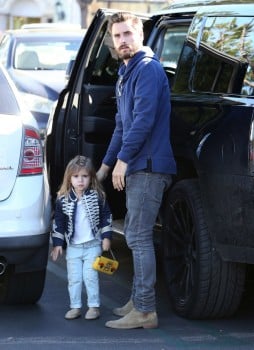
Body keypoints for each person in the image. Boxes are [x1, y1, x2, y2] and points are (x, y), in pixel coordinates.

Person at [97, 12, 176, 329]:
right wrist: (104, 166)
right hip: (138, 166)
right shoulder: (125, 73)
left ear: (140, 35)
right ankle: (138, 300)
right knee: (135, 235)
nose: (123, 41)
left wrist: (124, 160)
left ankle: (145, 311)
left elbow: (143, 120)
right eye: (117, 36)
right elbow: (121, 125)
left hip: (149, 167)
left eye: (128, 34)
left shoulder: (147, 69)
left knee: (139, 237)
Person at [51, 155, 112, 320]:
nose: (80, 180)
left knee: (90, 276)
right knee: (74, 278)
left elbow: (106, 216)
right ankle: (75, 306)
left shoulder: (98, 195)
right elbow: (59, 222)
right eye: (76, 176)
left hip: (93, 245)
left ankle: (93, 306)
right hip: (74, 247)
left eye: (84, 176)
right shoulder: (63, 199)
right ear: (69, 178)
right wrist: (58, 244)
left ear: (91, 177)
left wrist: (106, 237)